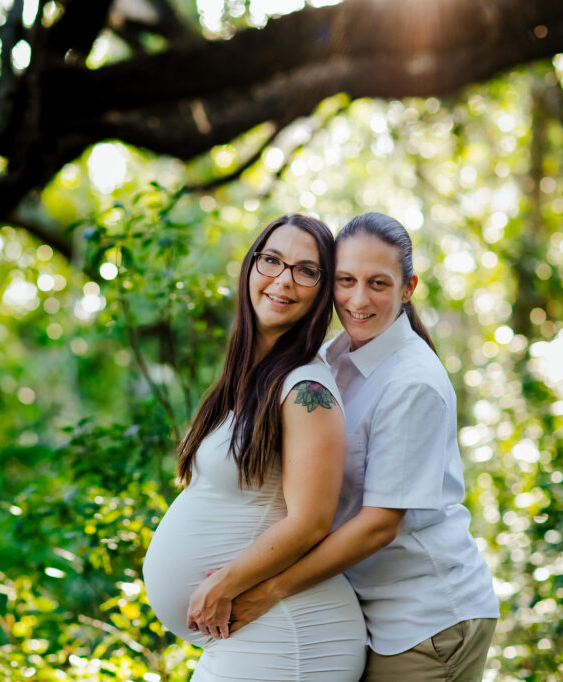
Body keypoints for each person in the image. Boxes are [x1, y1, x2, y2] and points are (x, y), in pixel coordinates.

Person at [225, 212, 499, 681]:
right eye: (346, 280)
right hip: (366, 612)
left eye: (378, 283)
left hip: (424, 622)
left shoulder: (414, 383)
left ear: (408, 287)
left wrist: (270, 590)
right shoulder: (334, 356)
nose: (357, 299)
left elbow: (377, 527)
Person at [142, 214, 366, 681]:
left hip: (293, 632)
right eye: (273, 261)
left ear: (322, 291)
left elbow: (312, 521)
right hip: (259, 634)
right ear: (250, 267)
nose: (283, 279)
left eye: (306, 270)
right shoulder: (249, 379)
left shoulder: (307, 389)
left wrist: (225, 582)